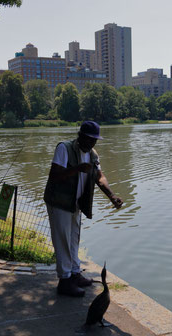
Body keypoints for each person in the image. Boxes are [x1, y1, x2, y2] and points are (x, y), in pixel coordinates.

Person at [44, 121, 123, 297]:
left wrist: (111, 195)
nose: (92, 144)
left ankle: (74, 273)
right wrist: (77, 169)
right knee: (63, 240)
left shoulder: (92, 154)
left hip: (75, 203)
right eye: (89, 139)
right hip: (59, 202)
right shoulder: (64, 148)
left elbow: (99, 177)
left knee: (74, 238)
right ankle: (64, 281)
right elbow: (54, 175)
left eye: (95, 140)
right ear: (80, 136)